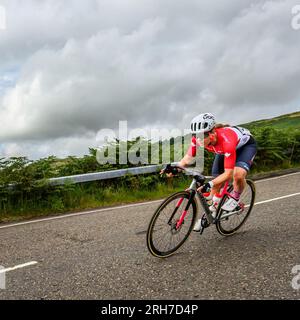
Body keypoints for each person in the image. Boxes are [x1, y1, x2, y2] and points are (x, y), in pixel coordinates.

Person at [162, 113, 257, 232]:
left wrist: (209, 184)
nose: (197, 140)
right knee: (216, 181)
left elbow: (228, 174)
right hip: (223, 151)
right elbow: (187, 159)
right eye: (195, 136)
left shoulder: (226, 140)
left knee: (237, 175)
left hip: (245, 147)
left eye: (201, 137)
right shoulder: (198, 139)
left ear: (212, 134)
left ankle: (235, 197)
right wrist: (175, 167)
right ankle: (212, 212)